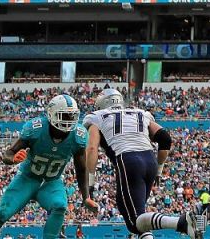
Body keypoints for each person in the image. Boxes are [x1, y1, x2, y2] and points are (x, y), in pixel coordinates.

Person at [82, 87, 202, 239]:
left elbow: (92, 148)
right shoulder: (140, 112)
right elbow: (165, 139)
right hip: (149, 160)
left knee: (134, 222)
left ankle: (181, 222)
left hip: (128, 161)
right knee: (138, 216)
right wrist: (159, 170)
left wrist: (90, 184)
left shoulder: (96, 116)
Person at [0, 95, 93, 239]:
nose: (68, 120)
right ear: (51, 114)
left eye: (72, 116)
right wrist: (12, 159)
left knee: (60, 205)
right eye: (64, 116)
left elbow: (81, 169)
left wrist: (86, 196)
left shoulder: (78, 135)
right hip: (27, 179)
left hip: (51, 182)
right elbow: (8, 153)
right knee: (1, 214)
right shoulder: (36, 128)